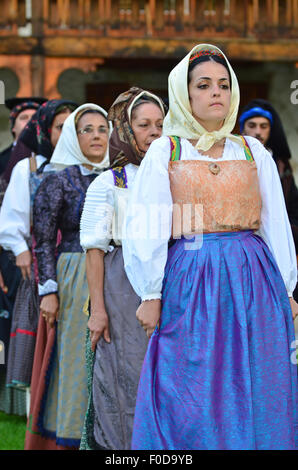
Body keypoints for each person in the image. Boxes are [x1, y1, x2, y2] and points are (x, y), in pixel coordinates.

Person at [123, 44, 298, 450]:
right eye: (203, 85)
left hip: (252, 276)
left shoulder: (252, 151)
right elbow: (147, 223)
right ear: (185, 95)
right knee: (192, 374)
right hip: (192, 274)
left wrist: (287, 287)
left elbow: (275, 223)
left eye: (223, 84)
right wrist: (150, 292)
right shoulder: (166, 150)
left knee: (256, 371)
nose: (215, 92)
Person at [80, 87, 166, 450]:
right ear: (125, 129)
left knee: (167, 375)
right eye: (144, 124)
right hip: (121, 287)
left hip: (170, 282)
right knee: (126, 373)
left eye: (160, 124)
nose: (154, 133)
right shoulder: (111, 182)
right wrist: (98, 310)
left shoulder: (172, 175)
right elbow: (94, 250)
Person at [25, 103, 111, 450]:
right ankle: (70, 437)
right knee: (76, 359)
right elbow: (42, 239)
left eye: (102, 129)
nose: (96, 136)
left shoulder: (119, 177)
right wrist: (48, 290)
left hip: (115, 273)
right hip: (74, 275)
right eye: (86, 129)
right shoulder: (59, 180)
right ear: (74, 137)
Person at [0, 100, 77, 395]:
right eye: (61, 127)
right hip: (42, 267)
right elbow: (11, 221)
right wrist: (20, 249)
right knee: (42, 345)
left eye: (74, 126)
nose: (69, 133)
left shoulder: (91, 169)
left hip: (80, 265)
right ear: (45, 130)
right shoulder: (29, 168)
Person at [239, 99, 298, 253]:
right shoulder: (233, 160)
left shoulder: (281, 165)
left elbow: (292, 204)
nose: (258, 131)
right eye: (252, 125)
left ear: (270, 130)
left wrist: (287, 231)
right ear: (243, 130)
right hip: (245, 239)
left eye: (263, 126)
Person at [0, 97, 46, 178]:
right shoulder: (1, 159)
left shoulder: (51, 156)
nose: (30, 122)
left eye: (34, 117)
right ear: (13, 126)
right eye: (24, 118)